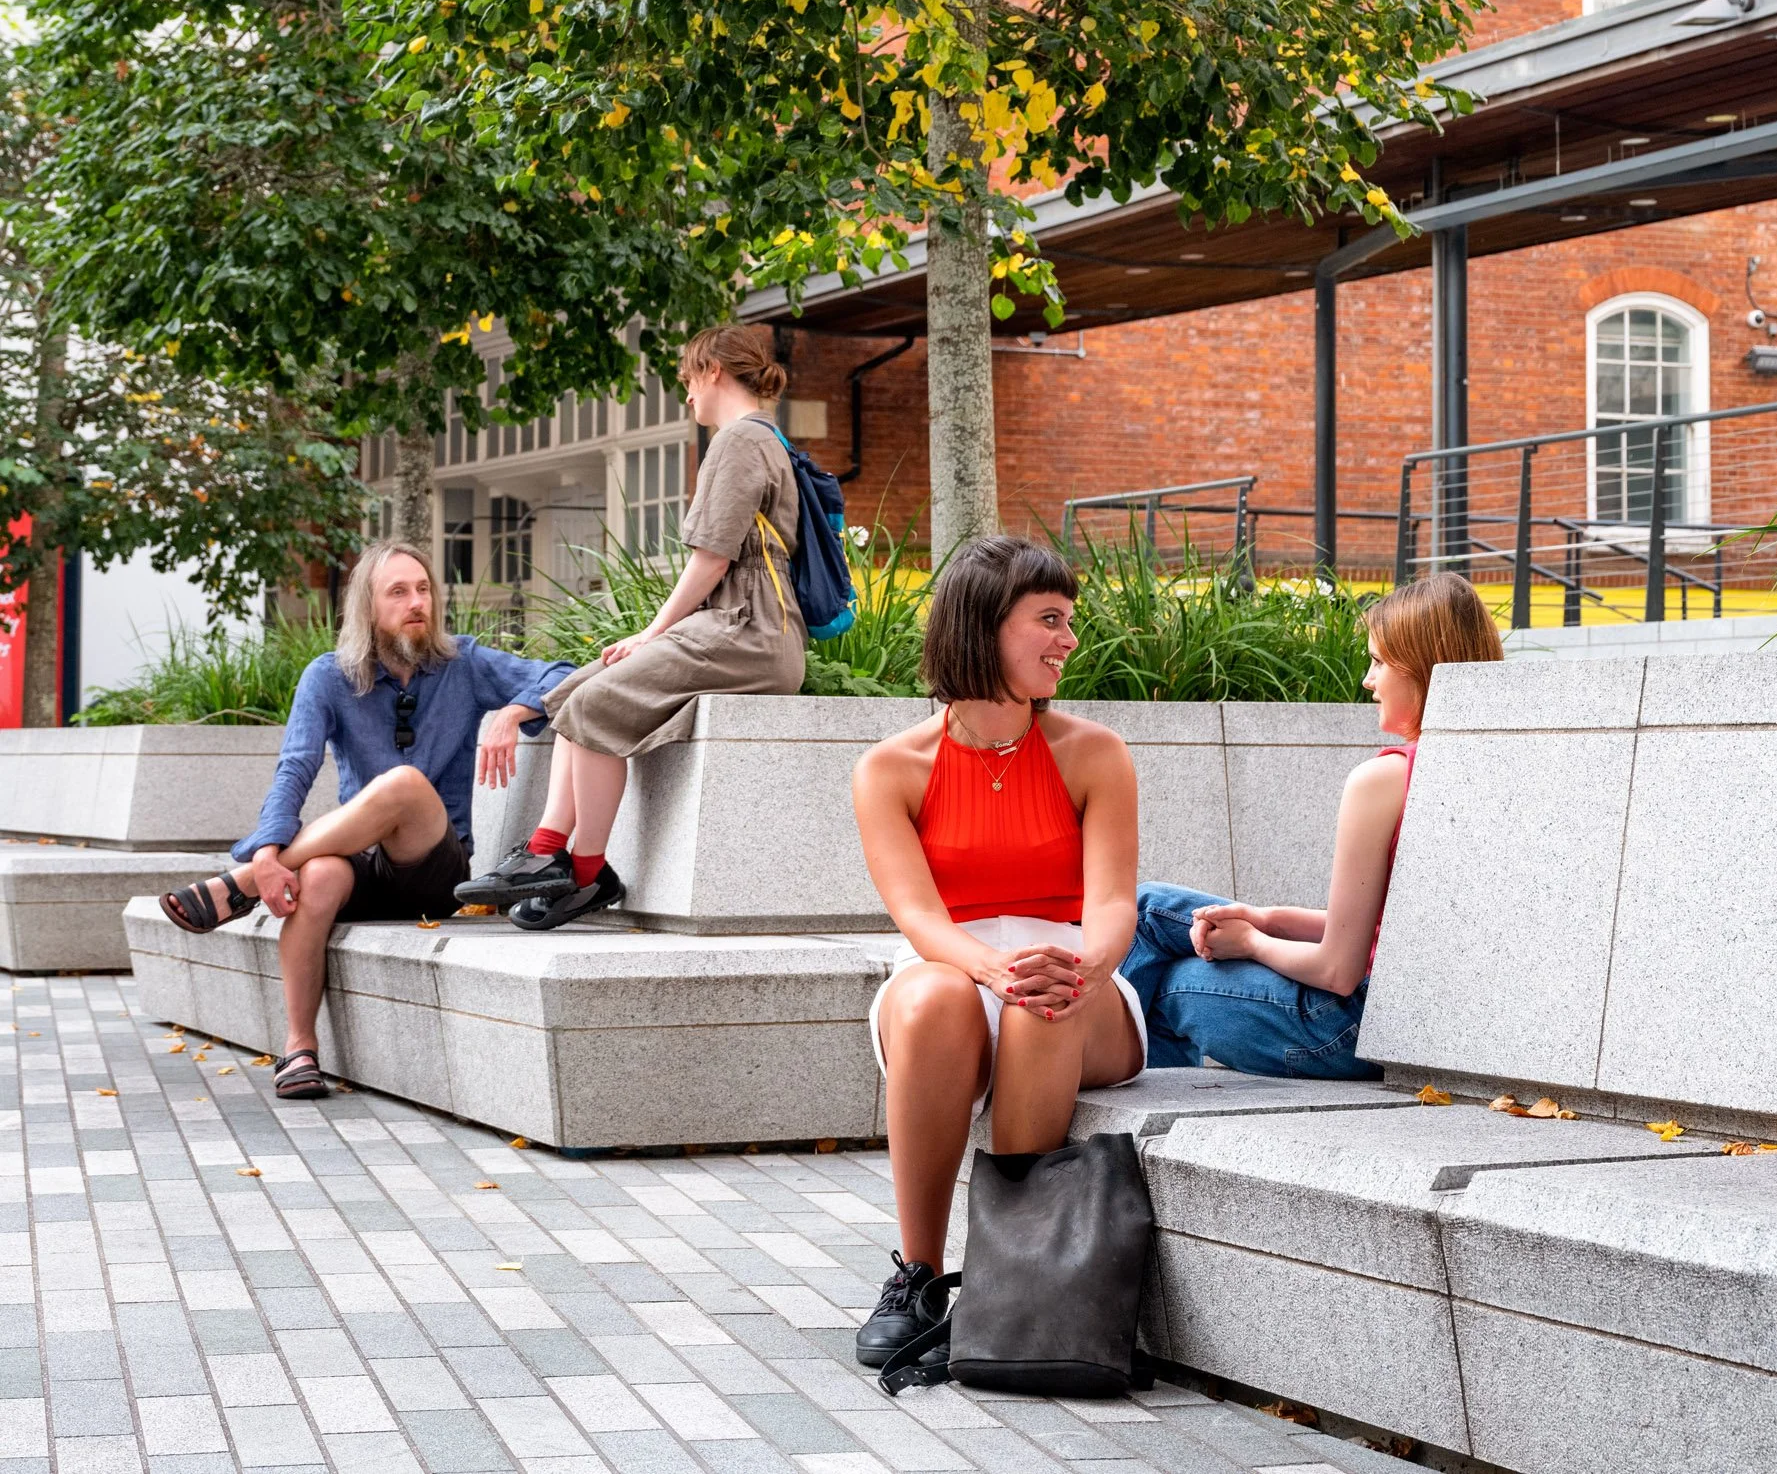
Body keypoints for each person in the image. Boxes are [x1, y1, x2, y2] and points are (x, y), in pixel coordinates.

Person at [849, 534, 1145, 1372]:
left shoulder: (1095, 753)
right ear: (984, 627)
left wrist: (1085, 968)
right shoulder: (890, 768)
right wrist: (987, 968)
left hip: (1082, 985)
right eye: (1049, 620)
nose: (1069, 640)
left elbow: (1114, 902)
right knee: (932, 995)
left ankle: (1006, 1279)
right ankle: (917, 1275)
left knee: (1043, 999)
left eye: (1069, 621)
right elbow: (916, 915)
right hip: (957, 969)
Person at [159, 539, 572, 1101]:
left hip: (433, 867)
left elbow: (565, 672)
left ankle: (241, 889)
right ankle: (300, 1048)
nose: (416, 602)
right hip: (360, 867)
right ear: (367, 607)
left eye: (423, 589)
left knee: (403, 785)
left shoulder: (465, 664)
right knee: (322, 876)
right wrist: (265, 850)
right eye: (398, 592)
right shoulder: (329, 677)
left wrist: (514, 710)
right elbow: (295, 769)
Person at [458, 324, 804, 930]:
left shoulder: (738, 442)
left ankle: (585, 873)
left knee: (598, 703)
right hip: (739, 626)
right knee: (571, 694)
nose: (687, 397)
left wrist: (654, 631)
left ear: (713, 371)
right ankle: (545, 852)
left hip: (747, 630)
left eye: (688, 380)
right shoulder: (759, 438)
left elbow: (713, 557)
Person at [1120, 571, 1503, 1078]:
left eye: (1378, 661)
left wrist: (1253, 942)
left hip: (1355, 1029)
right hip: (1447, 1021)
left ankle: (1096, 1100)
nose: (1368, 680)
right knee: (1149, 907)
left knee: (1168, 973)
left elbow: (1338, 971)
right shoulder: (1501, 765)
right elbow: (1391, 934)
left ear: (1421, 668)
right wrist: (1267, 917)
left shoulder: (1385, 779)